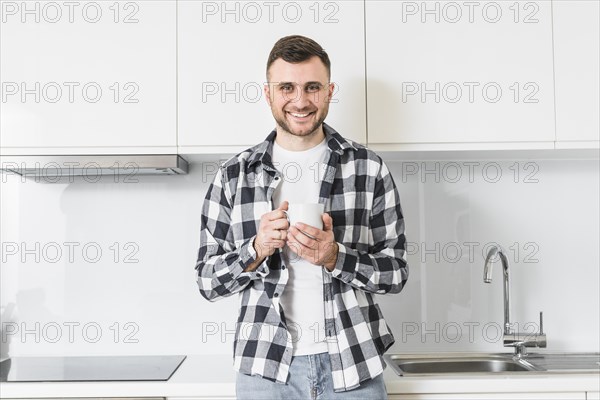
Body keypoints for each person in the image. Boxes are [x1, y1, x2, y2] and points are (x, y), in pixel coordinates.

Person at [196, 35, 408, 400]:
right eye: (287, 88)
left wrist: (335, 257)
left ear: (329, 91)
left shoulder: (368, 168)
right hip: (265, 368)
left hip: (352, 361)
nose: (300, 100)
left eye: (312, 87)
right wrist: (256, 249)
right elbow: (207, 282)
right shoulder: (235, 175)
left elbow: (396, 273)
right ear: (268, 94)